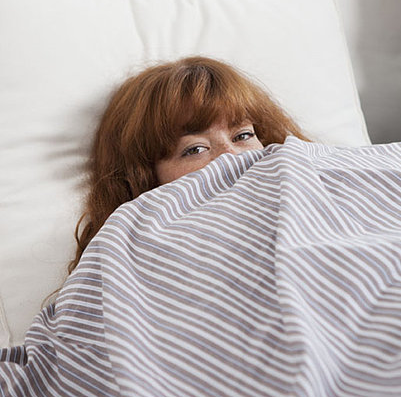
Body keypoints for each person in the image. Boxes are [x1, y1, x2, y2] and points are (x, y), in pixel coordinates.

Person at [71, 55, 310, 273]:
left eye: (243, 136)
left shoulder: (310, 174)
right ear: (145, 181)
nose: (233, 156)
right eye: (195, 149)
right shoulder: (123, 259)